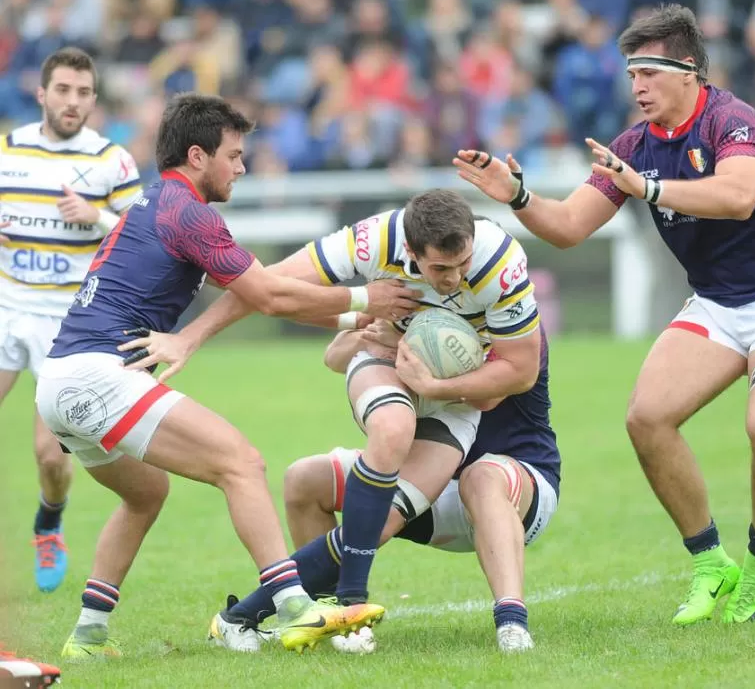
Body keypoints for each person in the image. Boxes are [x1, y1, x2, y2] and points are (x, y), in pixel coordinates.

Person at [453, 4, 755, 624]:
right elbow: (571, 225)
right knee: (647, 419)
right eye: (631, 75)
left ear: (687, 69)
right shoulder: (633, 147)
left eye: (649, 73)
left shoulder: (733, 121)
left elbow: (738, 197)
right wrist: (518, 196)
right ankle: (711, 564)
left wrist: (647, 189)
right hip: (717, 304)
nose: (637, 87)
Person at [33, 93, 416, 659]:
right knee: (242, 463)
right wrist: (369, 292)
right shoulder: (190, 212)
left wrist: (357, 316)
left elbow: (260, 298)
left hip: (59, 384)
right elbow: (266, 293)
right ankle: (294, 606)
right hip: (99, 374)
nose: (241, 167)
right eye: (234, 156)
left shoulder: (158, 204)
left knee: (146, 495)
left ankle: (87, 636)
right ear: (197, 156)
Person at [121, 190, 544, 645]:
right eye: (441, 269)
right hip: (385, 364)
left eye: (462, 264)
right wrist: (191, 337)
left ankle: (237, 620)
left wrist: (436, 385)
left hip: (454, 405)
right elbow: (265, 286)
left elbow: (519, 373)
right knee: (392, 426)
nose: (455, 279)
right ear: (410, 251)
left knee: (375, 525)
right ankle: (350, 605)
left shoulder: (499, 262)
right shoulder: (374, 241)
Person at [210, 319, 559, 654]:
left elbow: (486, 398)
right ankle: (332, 616)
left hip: (517, 487)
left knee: (481, 476)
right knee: (304, 477)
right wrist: (372, 335)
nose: (450, 278)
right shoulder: (407, 295)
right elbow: (334, 356)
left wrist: (410, 348)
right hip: (430, 486)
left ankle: (512, 623)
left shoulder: (513, 315)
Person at [0, 47, 142, 593]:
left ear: (94, 99)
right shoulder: (9, 150)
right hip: (7, 303)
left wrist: (97, 216)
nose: (72, 101)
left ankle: (49, 522)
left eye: (83, 92)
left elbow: (142, 238)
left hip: (65, 321)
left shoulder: (111, 160)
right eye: (62, 89)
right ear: (41, 93)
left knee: (49, 456)